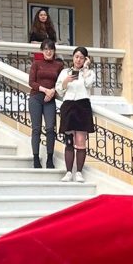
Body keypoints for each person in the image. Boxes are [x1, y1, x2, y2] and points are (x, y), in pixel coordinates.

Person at [55, 46, 96, 183]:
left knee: (80, 141)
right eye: (76, 57)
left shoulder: (89, 73)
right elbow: (59, 91)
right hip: (68, 105)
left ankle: (78, 172)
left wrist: (85, 69)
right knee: (69, 141)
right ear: (73, 57)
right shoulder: (65, 72)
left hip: (82, 105)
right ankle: (68, 172)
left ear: (85, 59)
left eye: (82, 58)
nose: (78, 60)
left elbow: (89, 85)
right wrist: (66, 81)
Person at [28, 39, 62, 169]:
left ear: (54, 51)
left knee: (50, 129)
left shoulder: (58, 65)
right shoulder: (36, 63)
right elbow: (31, 82)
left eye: (51, 49)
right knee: (36, 128)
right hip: (36, 97)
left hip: (50, 100)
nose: (48, 52)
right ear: (42, 51)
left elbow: (60, 83)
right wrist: (45, 90)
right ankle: (36, 158)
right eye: (46, 49)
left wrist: (52, 91)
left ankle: (49, 159)